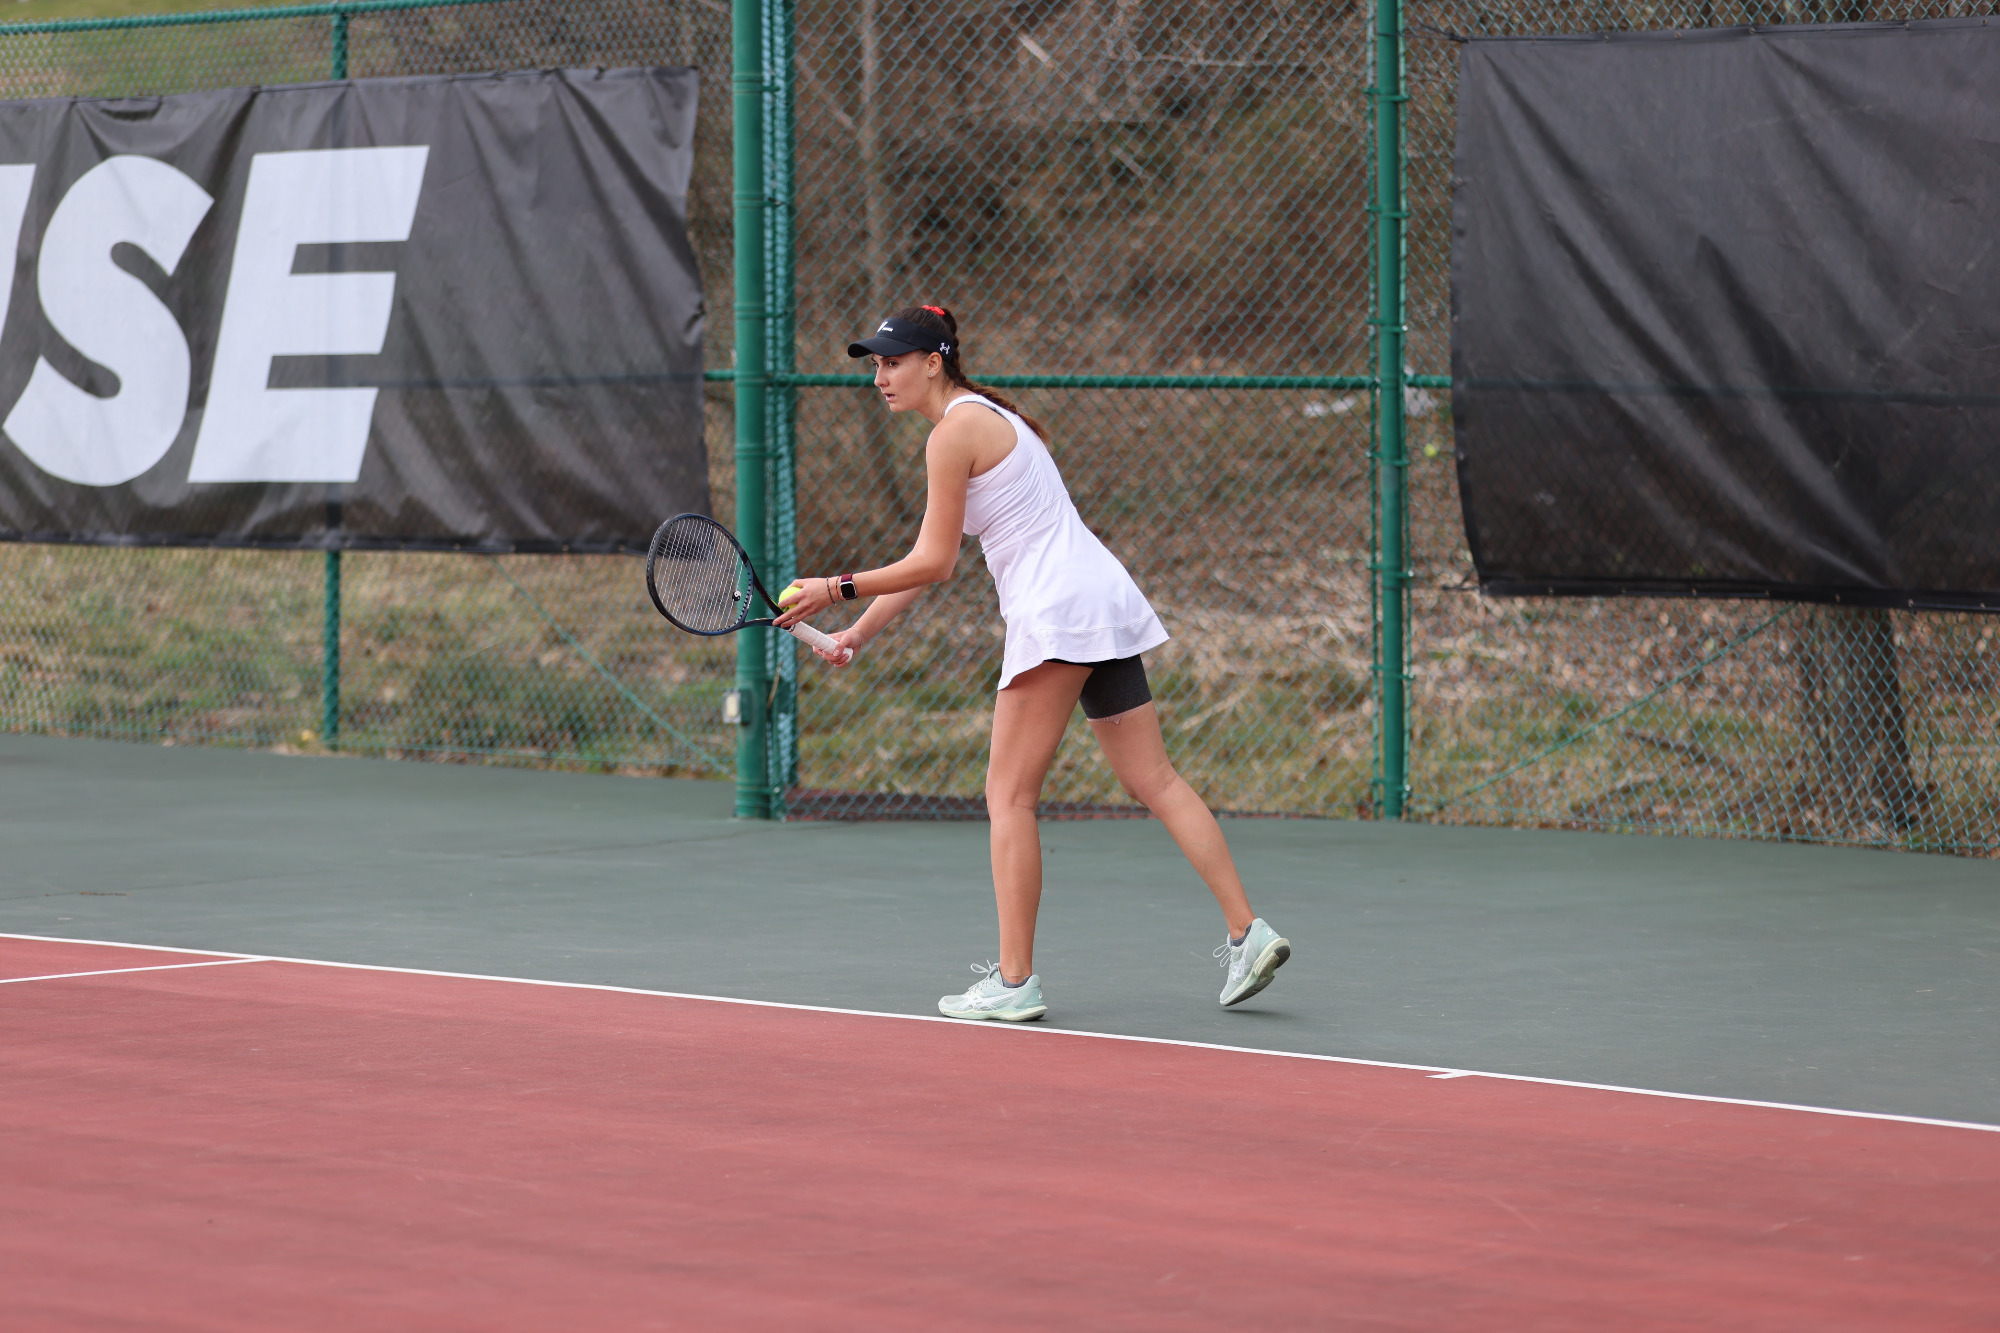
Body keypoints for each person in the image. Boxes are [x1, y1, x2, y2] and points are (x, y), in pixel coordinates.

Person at [776, 304, 1290, 1021]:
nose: (880, 377)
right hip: (1100, 602)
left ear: (935, 361)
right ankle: (1248, 929)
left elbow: (936, 561)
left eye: (893, 362)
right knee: (1157, 778)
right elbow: (930, 564)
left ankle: (1015, 982)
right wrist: (857, 630)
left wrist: (833, 588)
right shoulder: (989, 419)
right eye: (875, 365)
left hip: (1057, 616)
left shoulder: (955, 432)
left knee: (1008, 797)